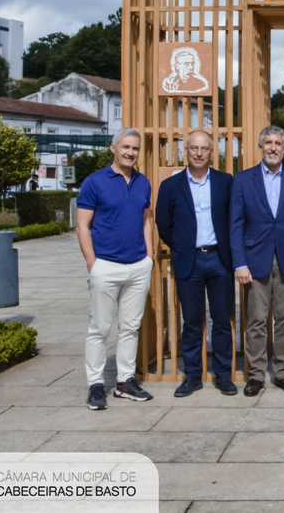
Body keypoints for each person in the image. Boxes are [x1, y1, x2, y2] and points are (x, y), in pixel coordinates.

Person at [230, 125, 284, 396]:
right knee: (255, 320)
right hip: (255, 262)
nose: (273, 148)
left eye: (277, 143)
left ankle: (283, 373)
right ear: (260, 146)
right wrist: (239, 263)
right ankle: (255, 375)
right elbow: (236, 225)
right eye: (268, 143)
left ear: (283, 147)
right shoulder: (243, 180)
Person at [76, 127, 154, 410]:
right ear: (113, 148)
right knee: (99, 328)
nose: (131, 152)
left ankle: (124, 383)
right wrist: (93, 265)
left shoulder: (143, 182)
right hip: (105, 266)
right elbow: (82, 226)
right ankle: (96, 385)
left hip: (137, 266)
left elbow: (146, 220)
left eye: (135, 148)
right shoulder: (94, 182)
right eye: (126, 147)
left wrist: (149, 256)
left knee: (130, 328)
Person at [155, 130, 236, 398]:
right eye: (194, 148)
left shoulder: (226, 182)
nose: (199, 153)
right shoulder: (170, 185)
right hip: (188, 259)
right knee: (191, 321)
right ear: (185, 151)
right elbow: (163, 223)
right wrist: (180, 246)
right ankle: (193, 376)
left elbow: (235, 220)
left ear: (212, 152)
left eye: (204, 149)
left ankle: (223, 374)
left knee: (222, 320)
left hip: (219, 259)